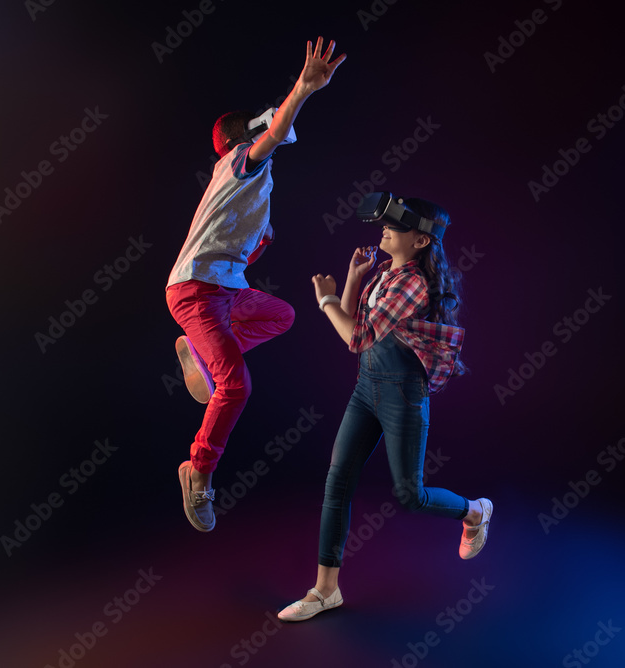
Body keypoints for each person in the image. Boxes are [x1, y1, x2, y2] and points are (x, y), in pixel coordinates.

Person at [278, 196, 492, 622]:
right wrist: (353, 280)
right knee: (337, 481)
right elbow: (360, 326)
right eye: (385, 224)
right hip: (366, 388)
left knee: (409, 495)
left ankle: (475, 511)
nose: (384, 230)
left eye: (394, 226)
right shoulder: (386, 273)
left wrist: (325, 301)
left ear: (420, 241)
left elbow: (355, 341)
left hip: (402, 394)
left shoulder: (412, 283)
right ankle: (325, 591)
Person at [166, 37, 346, 532]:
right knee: (236, 385)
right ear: (245, 138)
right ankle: (198, 471)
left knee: (280, 314)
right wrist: (304, 88)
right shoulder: (242, 162)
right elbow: (272, 132)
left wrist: (259, 240)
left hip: (223, 288)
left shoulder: (245, 182)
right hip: (197, 291)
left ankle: (197, 356)